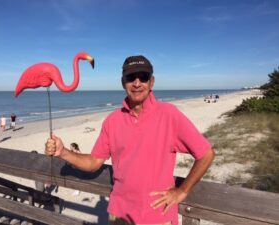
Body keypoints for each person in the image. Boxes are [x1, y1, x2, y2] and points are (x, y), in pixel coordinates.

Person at [45, 55, 215, 225]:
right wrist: (63, 152)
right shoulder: (113, 121)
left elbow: (206, 154)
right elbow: (93, 162)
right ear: (123, 82)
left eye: (143, 77)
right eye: (131, 77)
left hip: (158, 216)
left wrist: (182, 191)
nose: (137, 83)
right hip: (119, 214)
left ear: (152, 82)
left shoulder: (169, 114)